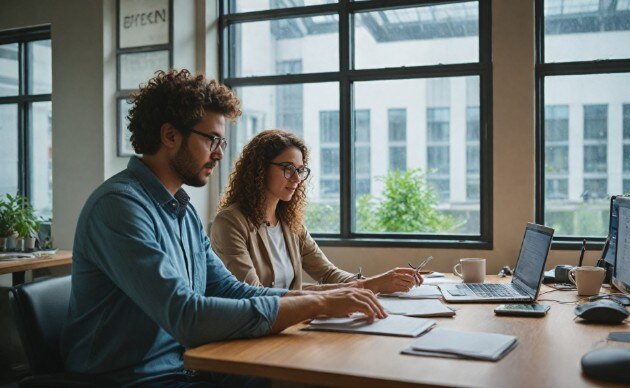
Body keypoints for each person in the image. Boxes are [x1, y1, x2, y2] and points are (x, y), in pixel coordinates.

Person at [60, 70, 386, 386]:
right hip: (133, 379)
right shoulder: (120, 208)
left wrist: (331, 295)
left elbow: (233, 290)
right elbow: (187, 316)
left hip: (185, 367)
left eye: (222, 142)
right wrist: (317, 304)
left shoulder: (182, 213)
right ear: (170, 135)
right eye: (212, 139)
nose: (219, 154)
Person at [210, 129, 423, 293]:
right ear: (259, 169)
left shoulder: (289, 223)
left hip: (287, 326)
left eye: (300, 170)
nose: (296, 179)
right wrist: (371, 285)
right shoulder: (230, 222)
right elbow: (255, 295)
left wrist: (381, 283)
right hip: (252, 335)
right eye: (288, 168)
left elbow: (328, 273)